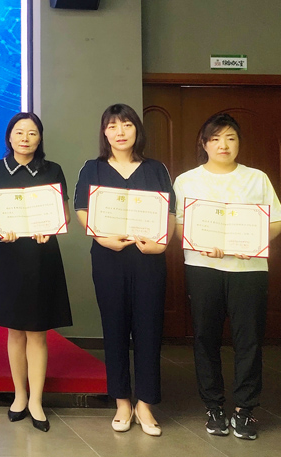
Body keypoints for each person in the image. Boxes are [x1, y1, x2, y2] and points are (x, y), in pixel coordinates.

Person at [173, 113, 281, 440]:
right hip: (202, 268)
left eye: (230, 138)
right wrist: (202, 244)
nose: (223, 145)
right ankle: (213, 406)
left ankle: (245, 409)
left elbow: (277, 221)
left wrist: (254, 241)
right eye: (215, 138)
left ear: (239, 143)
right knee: (205, 338)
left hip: (249, 270)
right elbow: (179, 226)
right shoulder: (186, 180)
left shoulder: (257, 178)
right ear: (204, 143)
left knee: (248, 340)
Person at [74, 103, 174, 437]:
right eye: (112, 126)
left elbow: (169, 214)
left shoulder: (156, 169)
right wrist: (102, 238)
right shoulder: (92, 168)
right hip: (109, 258)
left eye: (127, 125)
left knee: (149, 329)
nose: (120, 132)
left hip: (149, 259)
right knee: (114, 328)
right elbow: (82, 209)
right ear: (104, 133)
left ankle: (145, 404)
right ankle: (121, 402)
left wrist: (162, 244)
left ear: (137, 130)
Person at [0, 112, 73, 432]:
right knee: (15, 331)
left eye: (32, 133)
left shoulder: (52, 169)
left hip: (41, 257)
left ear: (40, 138)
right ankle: (19, 395)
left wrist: (51, 228)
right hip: (7, 254)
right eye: (19, 132)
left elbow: (63, 214)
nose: (25, 138)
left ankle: (36, 401)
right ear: (9, 136)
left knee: (37, 331)